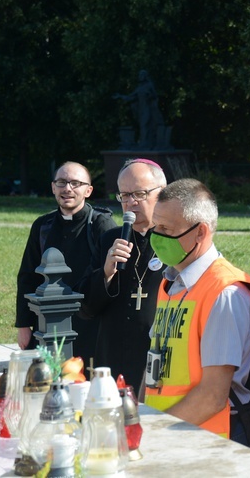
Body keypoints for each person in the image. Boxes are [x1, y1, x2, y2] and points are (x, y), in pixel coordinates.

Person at [143, 178, 250, 443]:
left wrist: (154, 435)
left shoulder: (225, 294)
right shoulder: (170, 284)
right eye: (154, 226)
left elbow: (213, 397)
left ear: (201, 233)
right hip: (177, 433)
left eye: (166, 229)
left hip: (210, 440)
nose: (156, 237)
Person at [76, 158, 166, 388]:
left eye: (139, 193)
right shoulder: (110, 239)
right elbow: (86, 308)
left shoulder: (175, 240)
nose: (130, 202)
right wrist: (105, 274)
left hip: (160, 359)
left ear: (162, 193)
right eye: (124, 196)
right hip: (114, 357)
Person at [16, 161, 117, 363]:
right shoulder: (42, 226)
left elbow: (111, 276)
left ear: (88, 190)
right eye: (61, 182)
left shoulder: (101, 225)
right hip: (47, 322)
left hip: (89, 321)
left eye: (75, 183)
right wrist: (23, 325)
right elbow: (28, 276)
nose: (67, 189)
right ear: (53, 187)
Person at [114, 69, 165, 149]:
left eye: (142, 75)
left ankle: (145, 143)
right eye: (139, 75)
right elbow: (130, 97)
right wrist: (120, 96)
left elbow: (155, 95)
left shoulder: (149, 85)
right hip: (141, 109)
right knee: (142, 126)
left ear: (145, 76)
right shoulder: (139, 87)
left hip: (148, 109)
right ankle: (144, 143)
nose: (140, 77)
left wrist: (149, 96)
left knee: (145, 125)